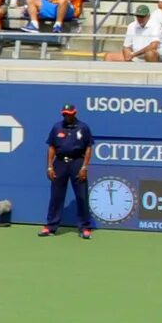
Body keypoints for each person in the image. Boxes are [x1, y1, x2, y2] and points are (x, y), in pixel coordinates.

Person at [40, 101, 96, 239]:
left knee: (81, 196)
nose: (67, 117)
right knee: (56, 196)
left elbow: (88, 147)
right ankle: (51, 226)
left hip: (77, 162)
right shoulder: (57, 127)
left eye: (69, 114)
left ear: (74, 113)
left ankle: (84, 227)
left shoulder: (83, 127)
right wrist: (49, 166)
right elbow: (52, 147)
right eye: (65, 114)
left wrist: (84, 166)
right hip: (60, 163)